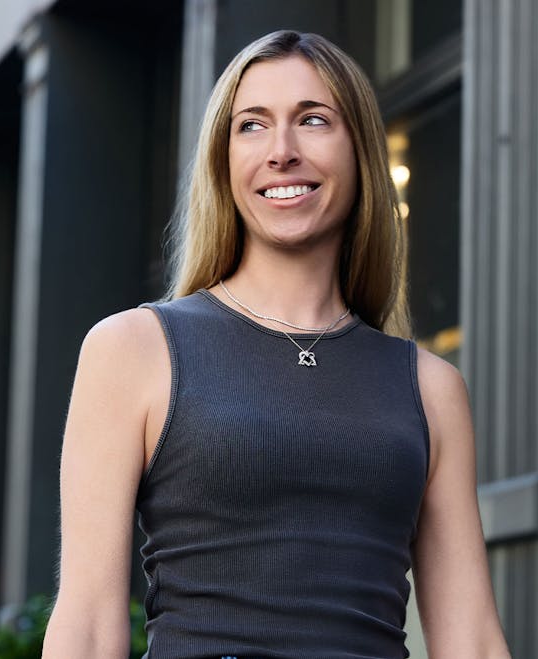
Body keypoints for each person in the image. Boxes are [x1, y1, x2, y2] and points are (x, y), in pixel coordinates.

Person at [42, 30, 511, 659]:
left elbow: (473, 642)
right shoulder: (133, 349)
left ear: (360, 152)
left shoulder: (430, 387)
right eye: (252, 125)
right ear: (223, 158)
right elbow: (88, 628)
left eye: (313, 120)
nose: (281, 152)